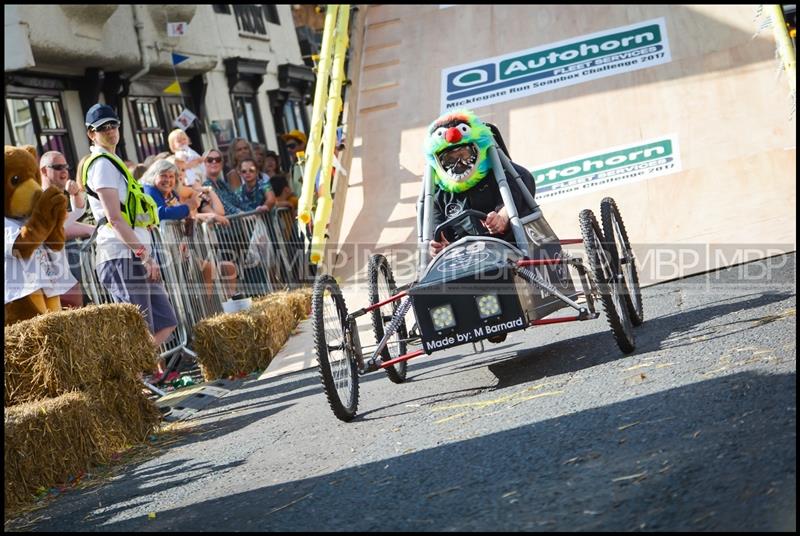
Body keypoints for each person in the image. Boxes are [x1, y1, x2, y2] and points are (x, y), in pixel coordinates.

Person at [80, 103, 177, 378]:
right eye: (103, 128)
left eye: (113, 125)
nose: (110, 131)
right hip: (120, 255)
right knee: (139, 329)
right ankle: (135, 383)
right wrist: (144, 256)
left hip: (131, 253)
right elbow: (114, 218)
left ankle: (133, 377)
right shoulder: (101, 165)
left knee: (166, 321)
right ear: (91, 134)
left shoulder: (112, 161)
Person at [425, 109, 537, 258]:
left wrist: (503, 217)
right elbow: (434, 231)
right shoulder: (436, 196)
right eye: (450, 159)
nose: (459, 164)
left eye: (463, 155)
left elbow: (522, 182)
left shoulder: (501, 173)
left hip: (512, 245)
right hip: (465, 259)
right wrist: (437, 246)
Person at [141, 159, 236, 298]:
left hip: (178, 249)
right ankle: (204, 310)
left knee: (212, 268)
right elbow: (160, 214)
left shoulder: (172, 194)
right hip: (159, 252)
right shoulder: (149, 190)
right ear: (153, 175)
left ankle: (209, 308)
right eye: (163, 175)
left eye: (171, 176)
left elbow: (188, 215)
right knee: (202, 272)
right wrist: (188, 206)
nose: (168, 180)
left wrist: (207, 216)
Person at [39, 151, 93, 308]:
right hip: (45, 281)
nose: (64, 171)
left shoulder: (58, 197)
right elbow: (56, 227)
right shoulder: (36, 198)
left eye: (65, 166)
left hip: (64, 278)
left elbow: (66, 221)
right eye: (57, 167)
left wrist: (75, 195)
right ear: (43, 170)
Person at [202, 148, 245, 216]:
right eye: (210, 160)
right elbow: (224, 204)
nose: (214, 162)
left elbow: (237, 201)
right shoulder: (204, 184)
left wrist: (252, 210)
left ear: (222, 164)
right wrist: (239, 213)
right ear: (203, 163)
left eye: (218, 159)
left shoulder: (222, 183)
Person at [280, 130, 307, 198]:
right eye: (287, 147)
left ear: (302, 145)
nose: (289, 149)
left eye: (292, 146)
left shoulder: (311, 161)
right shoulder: (292, 167)